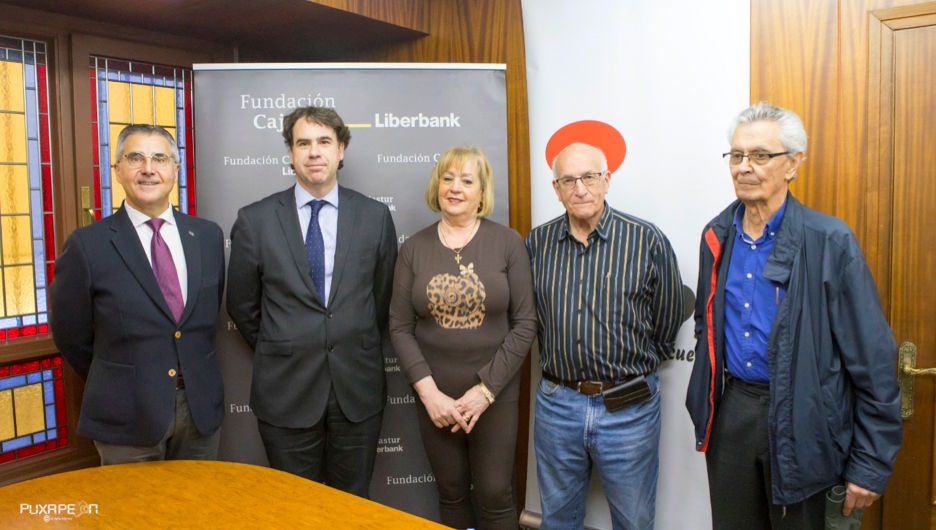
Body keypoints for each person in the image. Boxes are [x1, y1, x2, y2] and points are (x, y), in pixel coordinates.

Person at [686, 102, 902, 529]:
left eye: (760, 155)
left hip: (807, 422)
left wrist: (870, 463)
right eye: (736, 155)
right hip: (733, 415)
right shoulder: (716, 234)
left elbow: (873, 361)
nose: (744, 167)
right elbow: (705, 324)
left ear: (793, 164)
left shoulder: (829, 241)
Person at [227, 106, 397, 497]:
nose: (314, 152)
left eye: (324, 142)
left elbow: (381, 297)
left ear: (341, 149)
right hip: (285, 391)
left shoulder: (374, 216)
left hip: (357, 390)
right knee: (295, 508)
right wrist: (287, 342)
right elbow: (242, 305)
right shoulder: (256, 220)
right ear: (290, 153)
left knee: (352, 506)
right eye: (303, 143)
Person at [527, 142, 684, 529]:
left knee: (633, 520)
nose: (580, 188)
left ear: (607, 181)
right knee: (557, 520)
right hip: (558, 405)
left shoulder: (646, 240)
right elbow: (533, 318)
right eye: (568, 180)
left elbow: (667, 321)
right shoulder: (537, 243)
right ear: (556, 189)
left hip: (628, 407)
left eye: (589, 177)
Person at [50, 124, 225, 464]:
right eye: (135, 158)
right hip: (125, 414)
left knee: (199, 500)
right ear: (117, 170)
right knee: (134, 503)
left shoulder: (207, 236)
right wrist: (122, 374)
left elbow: (204, 316)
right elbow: (70, 334)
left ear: (175, 168)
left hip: (200, 412)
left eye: (159, 158)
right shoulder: (87, 246)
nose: (148, 168)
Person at [389, 146, 537, 529]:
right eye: (448, 178)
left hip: (495, 396)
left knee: (495, 493)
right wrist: (430, 395)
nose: (455, 188)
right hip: (435, 399)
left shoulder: (508, 243)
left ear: (482, 192)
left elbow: (525, 324)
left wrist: (485, 391)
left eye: (467, 180)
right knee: (451, 491)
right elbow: (400, 327)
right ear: (437, 186)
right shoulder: (413, 249)